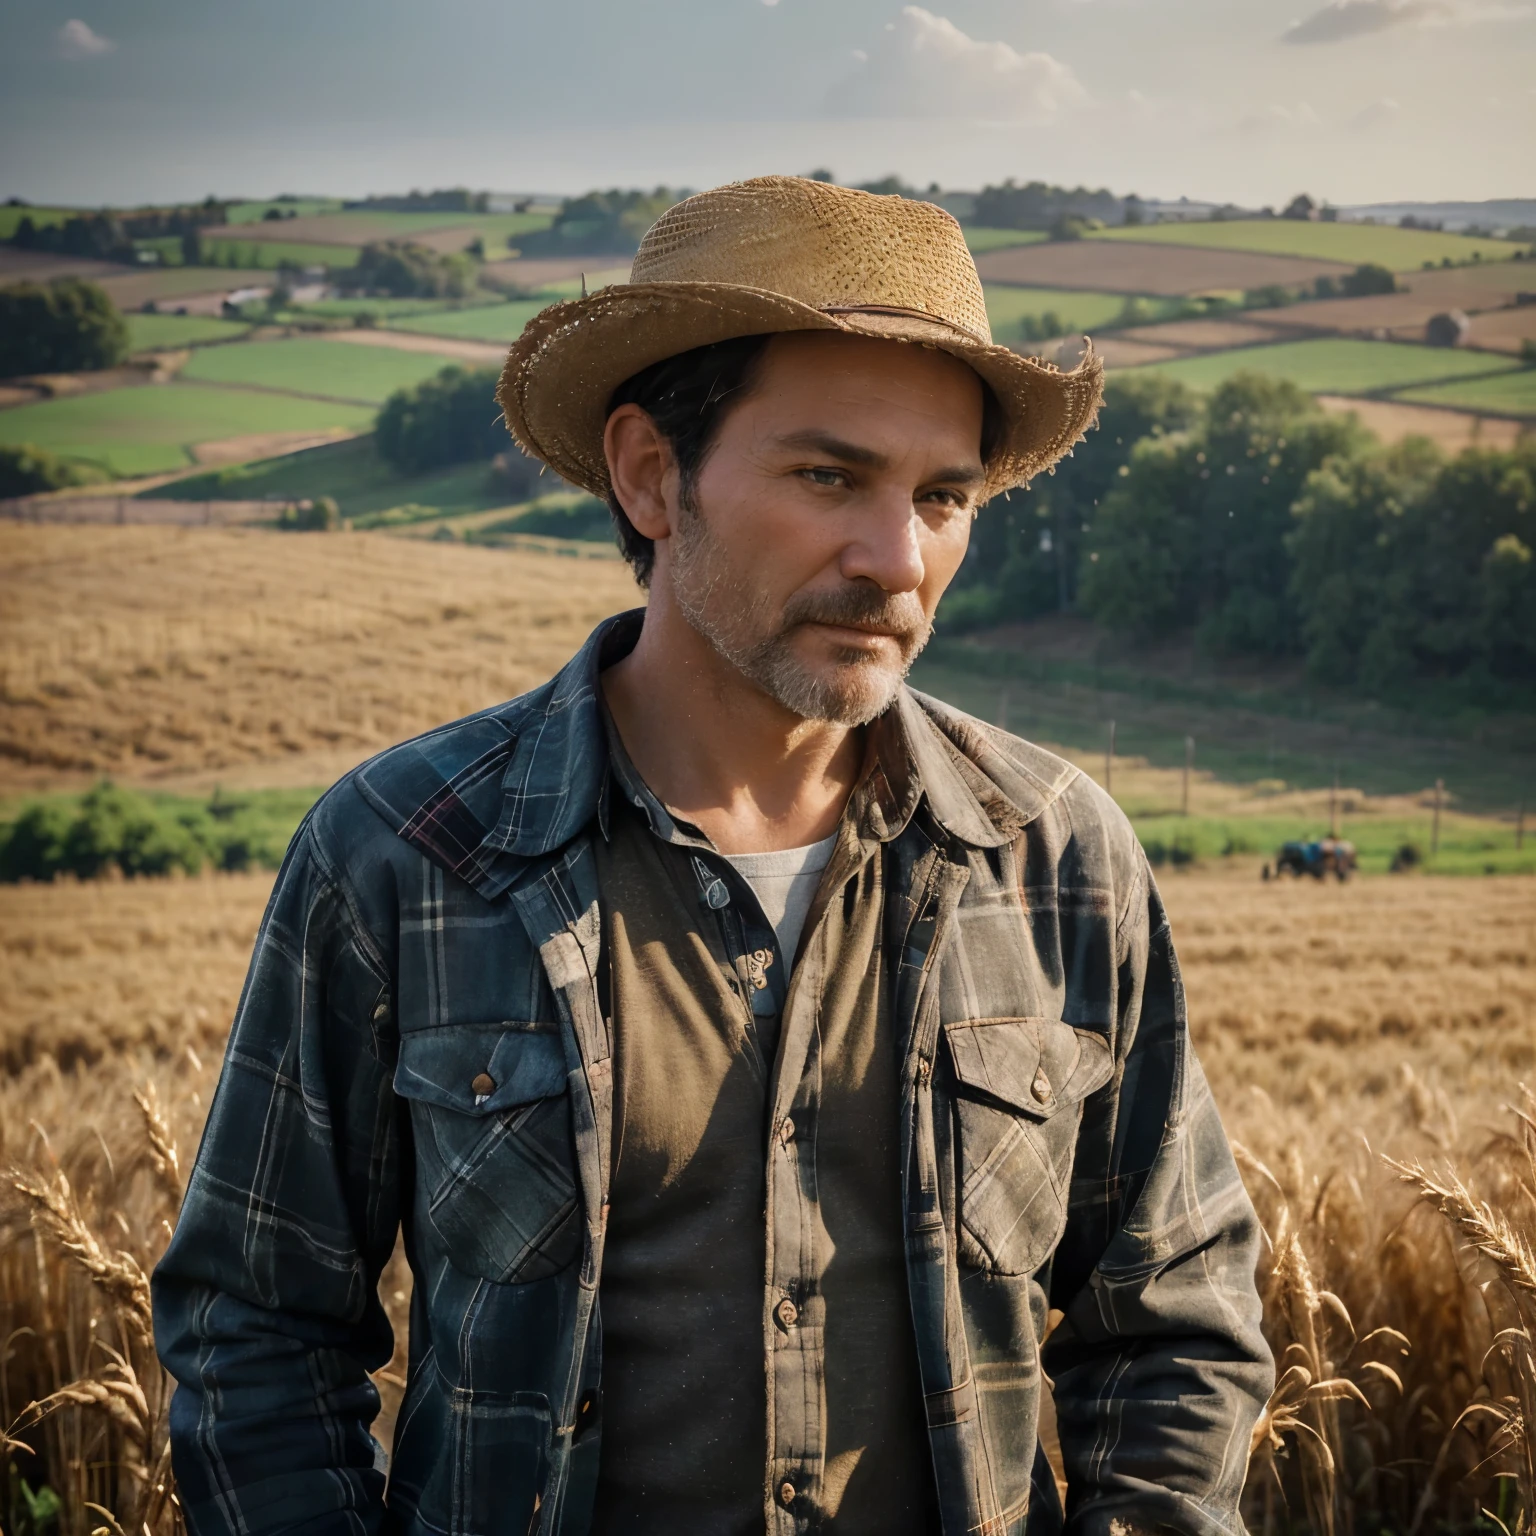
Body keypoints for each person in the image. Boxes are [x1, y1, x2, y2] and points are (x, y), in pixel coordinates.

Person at [154, 176, 1273, 1536]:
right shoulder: (403, 855)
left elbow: (1176, 1321)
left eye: (943, 496)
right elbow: (254, 1328)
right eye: (829, 476)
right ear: (648, 471)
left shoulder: (1056, 856)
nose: (897, 560)